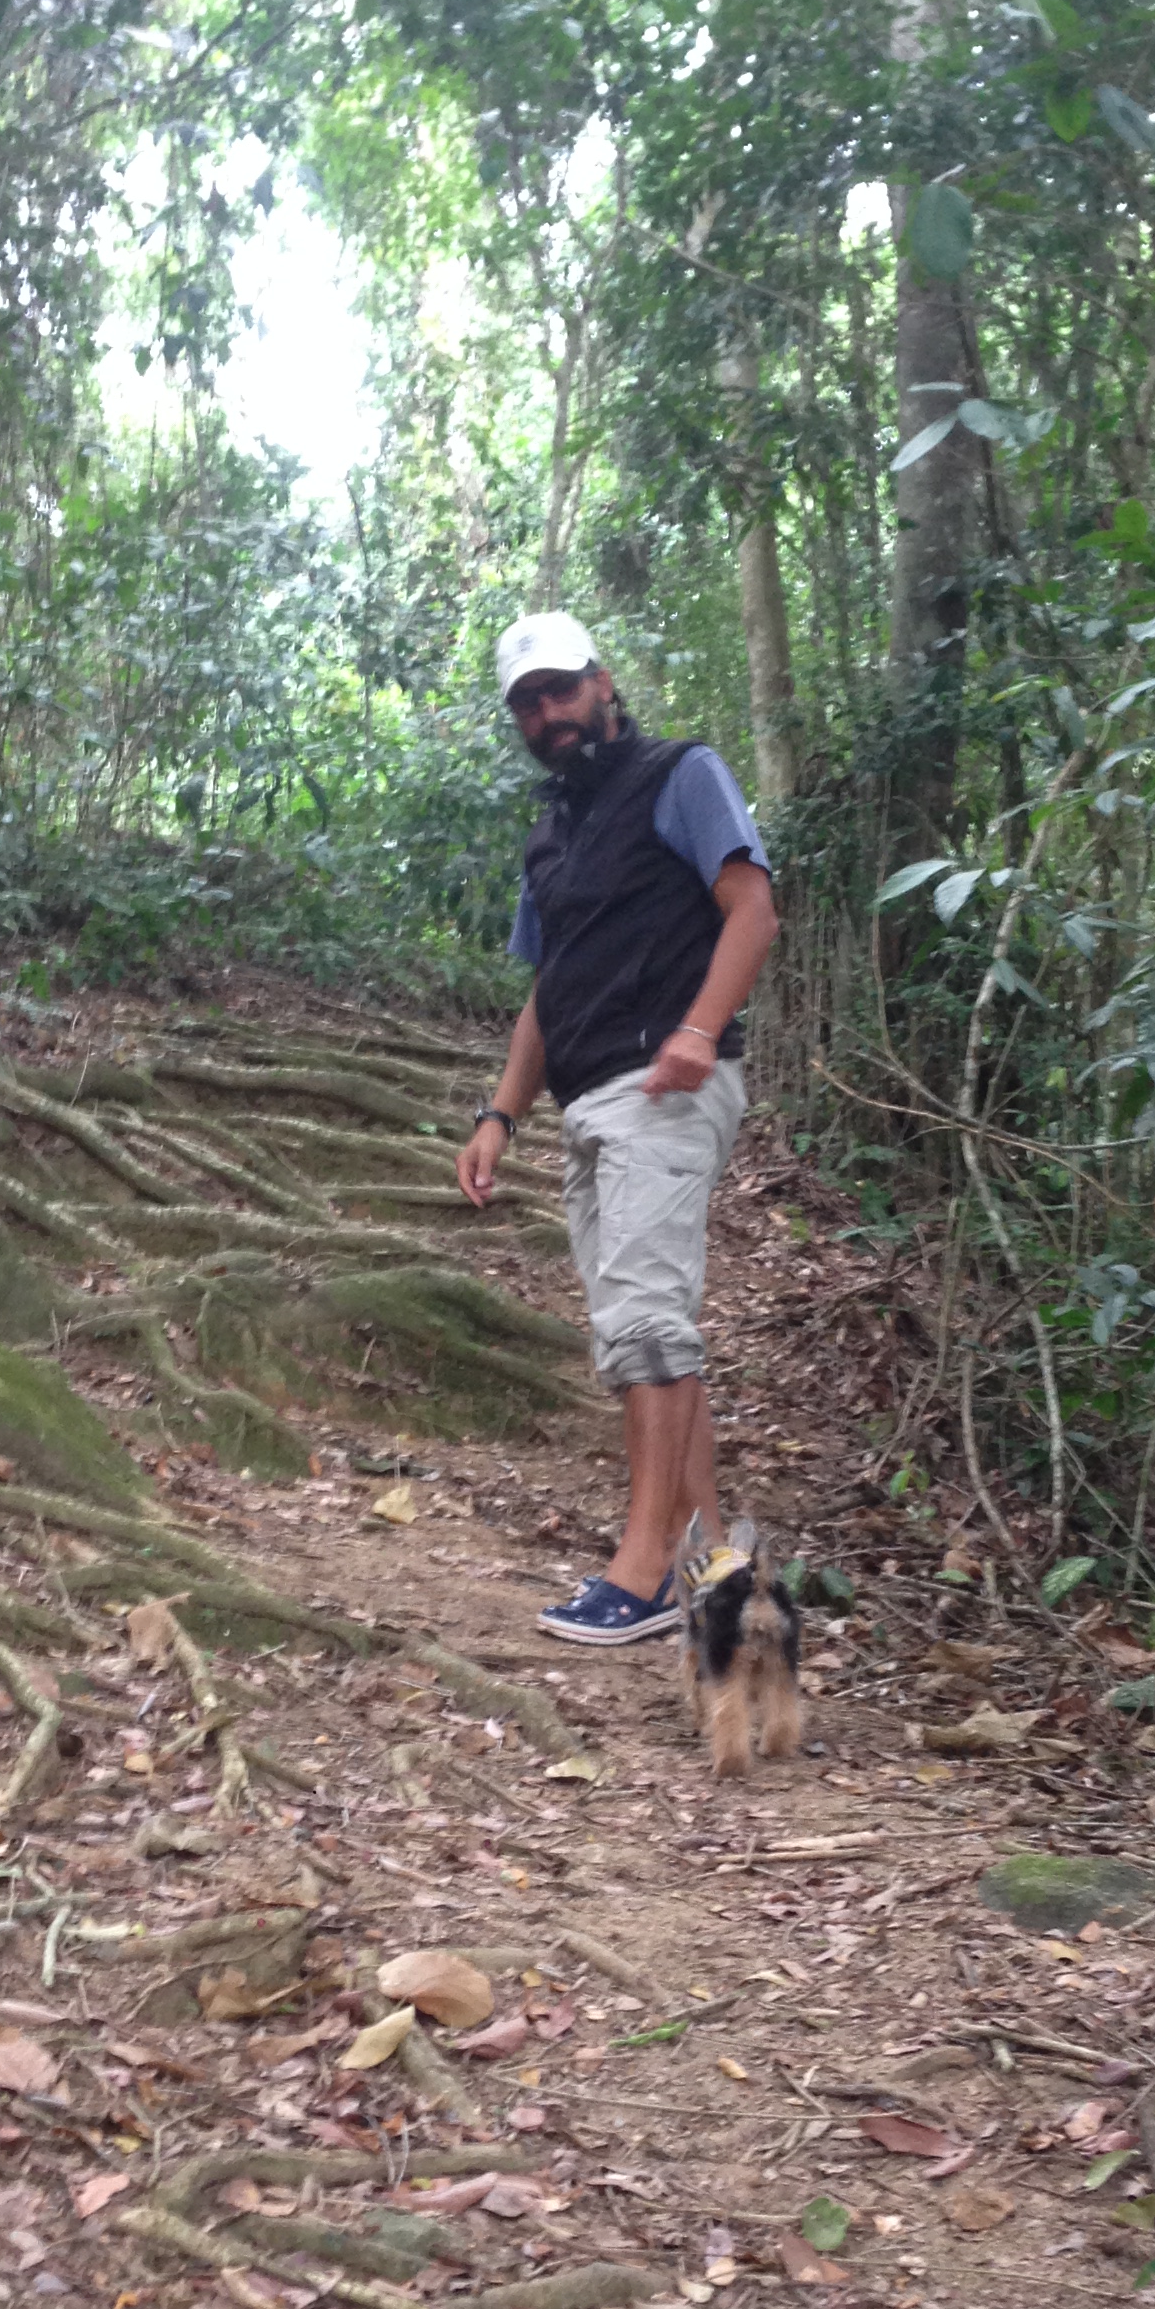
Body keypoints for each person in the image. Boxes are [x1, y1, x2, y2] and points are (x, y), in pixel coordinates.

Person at [457, 610, 779, 1646]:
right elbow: (546, 991)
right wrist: (499, 1114)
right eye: (527, 702)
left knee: (646, 1327)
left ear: (602, 682)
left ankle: (640, 1577)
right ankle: (716, 1565)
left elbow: (753, 907)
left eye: (560, 689)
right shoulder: (551, 833)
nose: (547, 713)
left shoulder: (680, 774)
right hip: (589, 1096)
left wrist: (699, 1029)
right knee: (641, 1328)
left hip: (664, 1085)